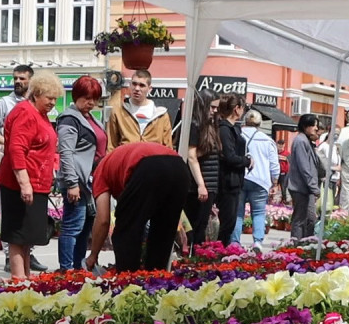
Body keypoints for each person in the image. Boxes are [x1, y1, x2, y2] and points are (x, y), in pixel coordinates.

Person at [84, 142, 195, 273]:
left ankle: (128, 282)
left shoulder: (100, 171)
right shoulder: (118, 160)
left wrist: (93, 255)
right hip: (180, 168)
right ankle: (156, 281)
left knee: (126, 231)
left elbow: (103, 220)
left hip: (148, 167)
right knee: (163, 233)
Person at [0, 71, 62, 280]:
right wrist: (24, 183)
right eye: (49, 98)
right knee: (18, 233)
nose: (53, 102)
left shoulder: (39, 114)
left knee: (28, 235)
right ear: (35, 94)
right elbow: (17, 149)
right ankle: (18, 279)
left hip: (37, 184)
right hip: (20, 184)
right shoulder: (25, 112)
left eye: (55, 98)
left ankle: (25, 275)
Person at [0, 64, 43, 272]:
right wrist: (9, 143)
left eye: (22, 79)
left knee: (29, 214)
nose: (18, 82)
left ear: (31, 81)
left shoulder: (36, 103)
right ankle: (10, 256)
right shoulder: (5, 103)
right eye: (15, 78)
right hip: (11, 164)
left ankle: (29, 253)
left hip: (32, 166)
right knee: (9, 212)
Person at [55, 75, 105, 272]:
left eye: (94, 98)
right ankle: (66, 270)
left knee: (84, 230)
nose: (90, 102)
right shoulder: (69, 118)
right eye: (86, 98)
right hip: (78, 183)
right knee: (72, 228)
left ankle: (78, 268)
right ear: (76, 96)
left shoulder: (91, 118)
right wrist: (72, 184)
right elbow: (65, 153)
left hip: (91, 182)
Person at [233, 110, 279, 246]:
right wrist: (275, 182)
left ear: (245, 120)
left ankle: (235, 242)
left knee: (238, 213)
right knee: (258, 212)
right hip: (260, 180)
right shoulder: (267, 140)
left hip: (240, 177)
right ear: (259, 123)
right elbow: (274, 164)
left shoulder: (237, 135)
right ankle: (257, 242)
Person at [106, 69, 173, 150]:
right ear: (130, 85)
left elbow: (168, 147)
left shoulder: (161, 115)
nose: (137, 88)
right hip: (128, 160)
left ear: (149, 89)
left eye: (142, 85)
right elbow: (111, 145)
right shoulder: (118, 112)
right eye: (134, 84)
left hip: (153, 160)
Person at [186, 90, 220, 248]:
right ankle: (191, 261)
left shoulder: (210, 125)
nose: (215, 111)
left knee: (201, 227)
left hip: (209, 183)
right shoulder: (195, 125)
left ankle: (195, 259)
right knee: (195, 228)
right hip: (197, 186)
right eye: (212, 107)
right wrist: (201, 185)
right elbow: (191, 156)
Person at [215, 93, 249, 246]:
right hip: (227, 181)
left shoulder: (232, 128)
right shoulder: (225, 129)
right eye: (243, 108)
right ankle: (218, 253)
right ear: (237, 109)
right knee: (227, 223)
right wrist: (247, 161)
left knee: (230, 221)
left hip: (234, 180)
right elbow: (229, 156)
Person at [287, 114, 323, 239]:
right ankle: (297, 246)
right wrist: (314, 187)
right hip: (300, 187)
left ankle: (305, 243)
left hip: (305, 188)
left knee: (309, 219)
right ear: (305, 126)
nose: (316, 128)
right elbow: (304, 168)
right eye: (313, 125)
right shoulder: (301, 141)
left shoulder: (307, 141)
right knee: (301, 219)